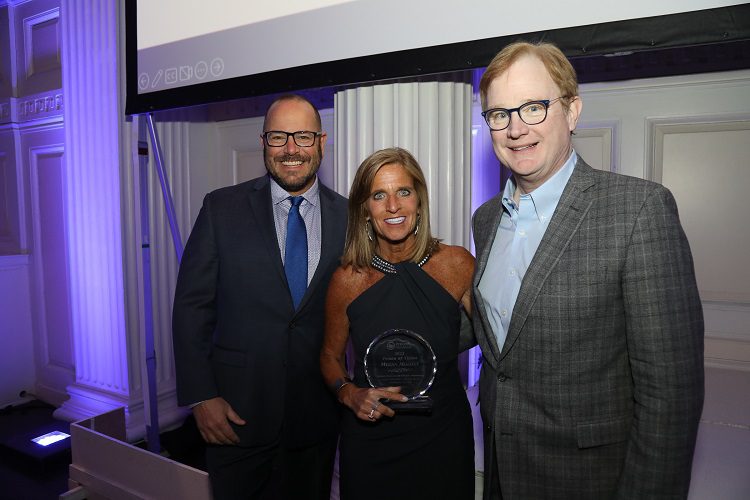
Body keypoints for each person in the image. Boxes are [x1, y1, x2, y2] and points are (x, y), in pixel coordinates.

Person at [471, 41, 704, 499]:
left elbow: (670, 399)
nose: (516, 128)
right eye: (500, 114)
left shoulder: (639, 210)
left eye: (533, 107)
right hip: (504, 472)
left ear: (572, 111)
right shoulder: (486, 218)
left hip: (590, 481)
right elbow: (500, 335)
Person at [172, 94, 348, 499]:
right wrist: (201, 396)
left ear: (321, 142)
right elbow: (191, 308)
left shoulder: (349, 216)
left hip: (316, 420)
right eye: (278, 137)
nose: (291, 149)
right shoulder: (221, 209)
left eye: (303, 136)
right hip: (234, 417)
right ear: (263, 142)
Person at [321, 147, 476, 500]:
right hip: (371, 441)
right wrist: (349, 393)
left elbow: (498, 337)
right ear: (364, 209)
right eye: (379, 195)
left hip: (443, 437)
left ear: (419, 201)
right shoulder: (347, 279)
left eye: (403, 192)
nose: (393, 206)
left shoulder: (456, 264)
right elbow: (328, 356)